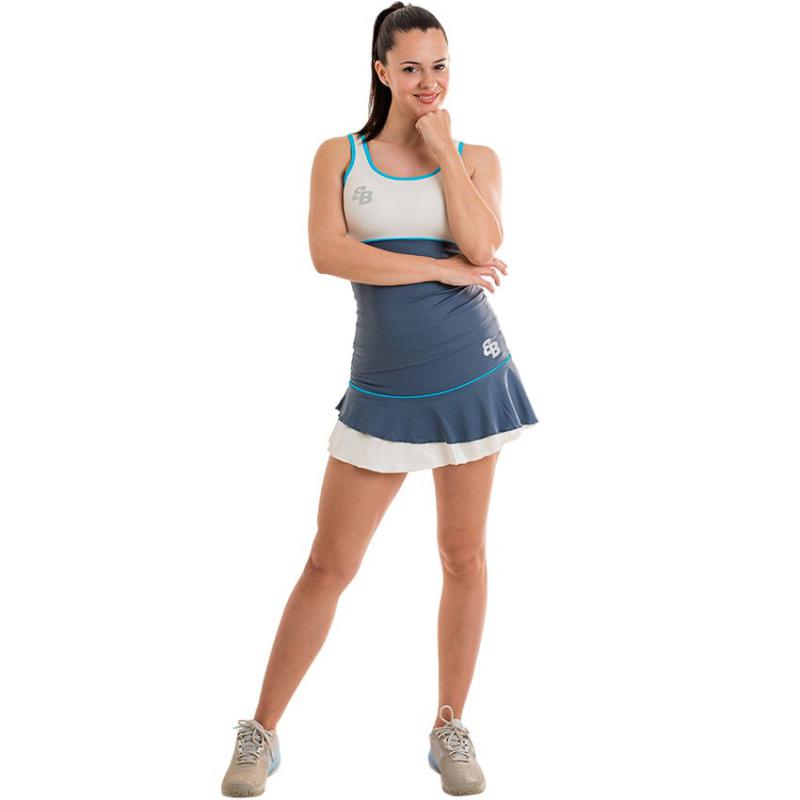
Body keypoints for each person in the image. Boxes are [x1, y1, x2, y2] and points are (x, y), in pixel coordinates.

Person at [221, 4, 539, 796]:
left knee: (462, 557)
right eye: (411, 68)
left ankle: (449, 726)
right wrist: (435, 268)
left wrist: (442, 150)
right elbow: (328, 253)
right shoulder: (342, 155)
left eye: (441, 65)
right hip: (383, 386)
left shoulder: (476, 157)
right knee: (329, 562)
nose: (429, 82)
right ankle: (262, 730)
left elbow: (483, 246)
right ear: (381, 70)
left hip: (470, 375)